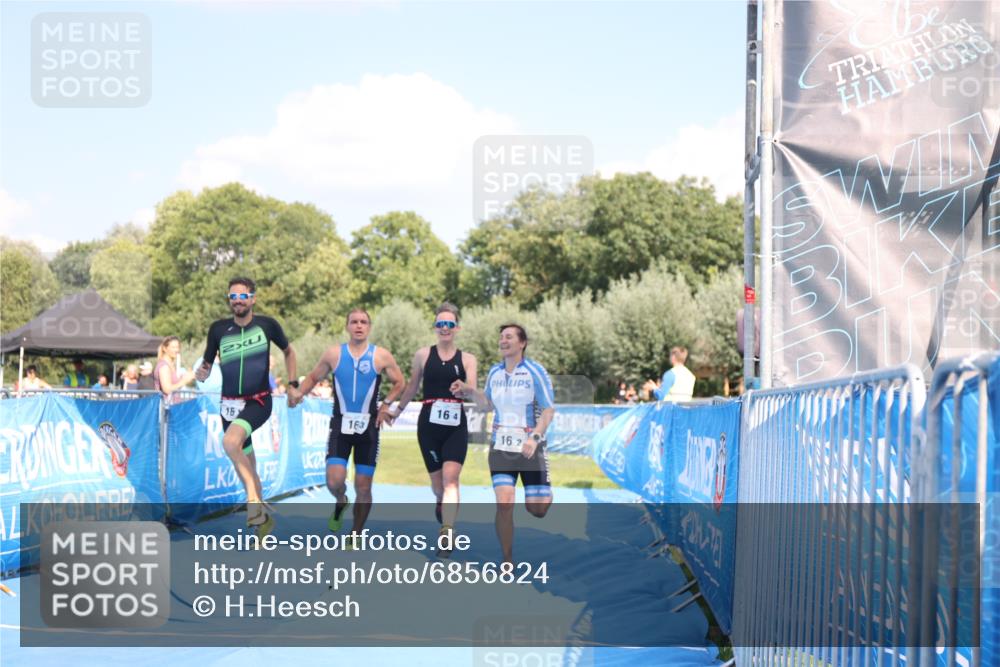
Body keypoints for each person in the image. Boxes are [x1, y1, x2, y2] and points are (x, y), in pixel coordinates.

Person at [287, 308, 404, 546]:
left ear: (369, 327)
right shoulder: (334, 354)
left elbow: (400, 382)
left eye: (363, 322)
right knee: (334, 481)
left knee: (363, 486)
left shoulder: (381, 356)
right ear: (347, 326)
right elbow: (312, 377)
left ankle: (356, 533)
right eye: (354, 322)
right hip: (341, 425)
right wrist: (299, 393)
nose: (359, 326)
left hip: (368, 428)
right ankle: (341, 500)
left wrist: (386, 406)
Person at [196, 277, 298, 537]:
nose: (238, 301)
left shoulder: (267, 325)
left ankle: (254, 502)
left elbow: (289, 352)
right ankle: (261, 524)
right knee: (247, 464)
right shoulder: (218, 329)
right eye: (233, 297)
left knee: (231, 444)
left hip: (258, 401)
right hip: (228, 405)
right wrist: (202, 371)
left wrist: (294, 383)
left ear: (253, 298)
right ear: (229, 300)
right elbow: (207, 363)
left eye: (243, 296)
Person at [451, 323, 555, 564]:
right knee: (505, 502)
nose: (503, 341)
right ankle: (507, 560)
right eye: (501, 337)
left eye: (509, 337)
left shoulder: (535, 371)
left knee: (536, 510)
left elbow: (548, 410)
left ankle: (545, 491)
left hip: (531, 447)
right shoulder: (495, 373)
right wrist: (468, 390)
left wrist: (535, 437)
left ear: (522, 343)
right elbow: (487, 404)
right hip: (500, 447)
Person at [393, 303, 477, 557]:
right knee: (439, 486)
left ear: (456, 328)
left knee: (452, 480)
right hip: (429, 424)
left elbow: (472, 387)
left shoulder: (468, 359)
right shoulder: (422, 355)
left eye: (449, 324)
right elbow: (411, 387)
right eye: (440, 324)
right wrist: (396, 412)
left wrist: (464, 387)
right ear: (435, 327)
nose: (445, 328)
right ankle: (441, 501)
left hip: (455, 425)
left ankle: (447, 532)